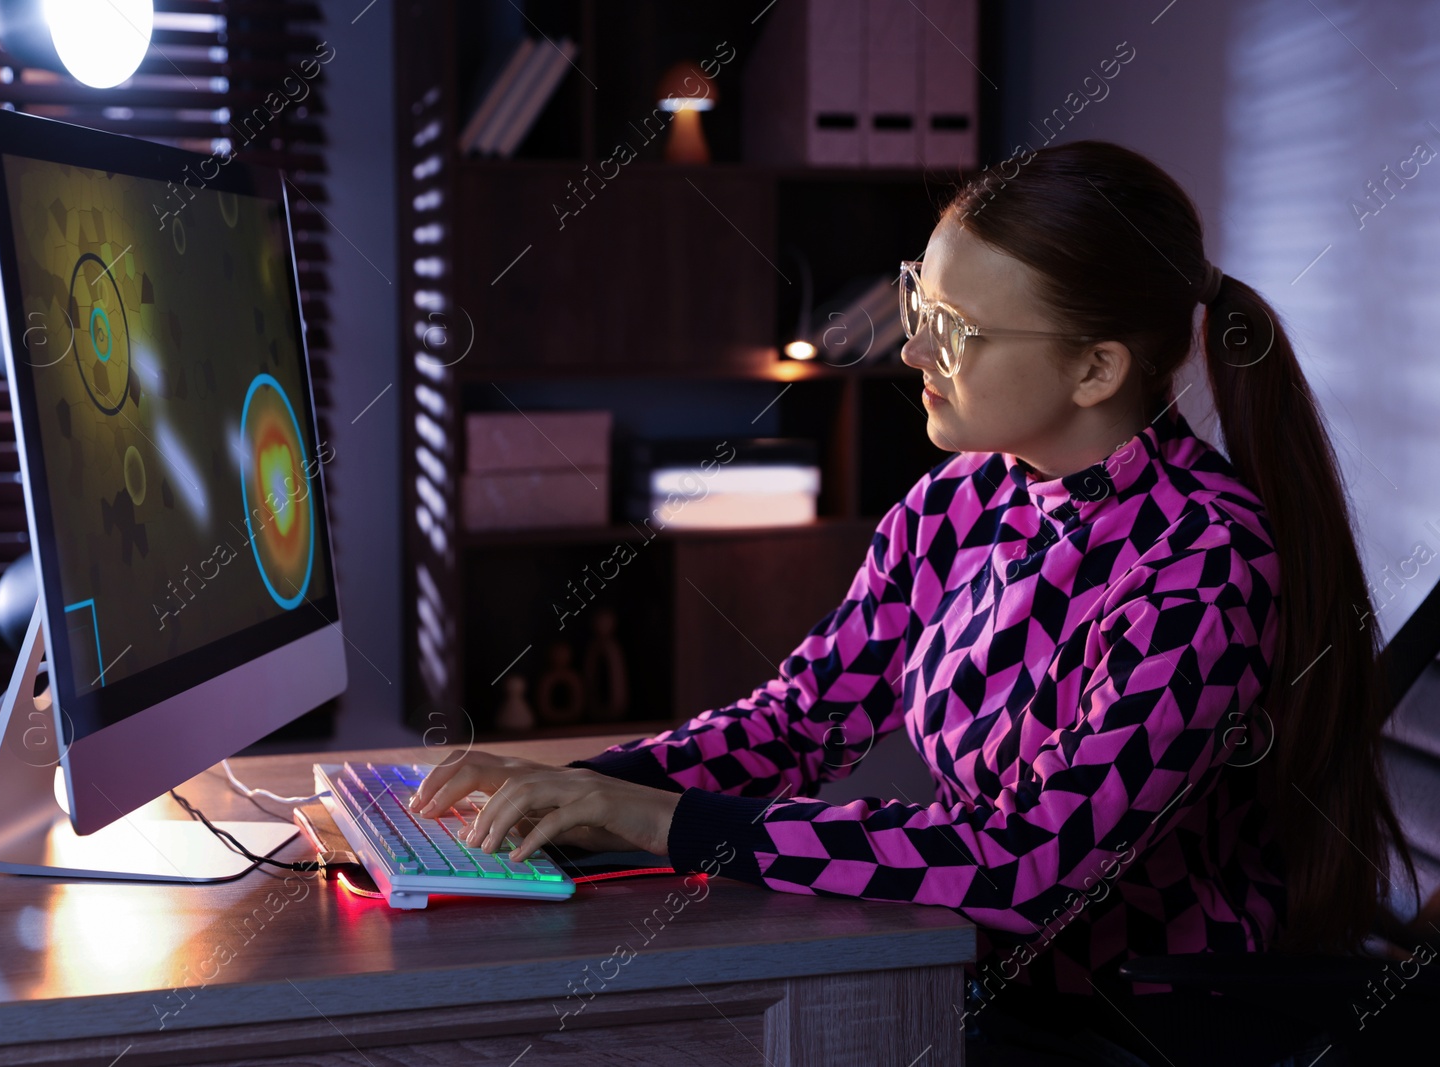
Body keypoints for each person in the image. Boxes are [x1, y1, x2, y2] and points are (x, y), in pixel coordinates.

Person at [410, 140, 1416, 1065]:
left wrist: (660, 821)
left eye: (952, 329)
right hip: (972, 970)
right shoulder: (965, 493)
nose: (910, 351)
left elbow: (1025, 867)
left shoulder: (1204, 566)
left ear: (1095, 366)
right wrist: (570, 787)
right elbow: (800, 719)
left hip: (1129, 1021)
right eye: (915, 304)